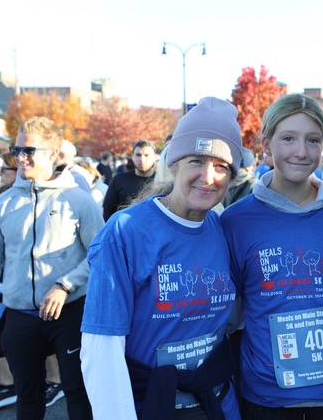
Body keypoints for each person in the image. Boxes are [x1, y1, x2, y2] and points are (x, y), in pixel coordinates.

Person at [80, 97, 243, 419]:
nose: (208, 177)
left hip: (218, 403)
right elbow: (101, 346)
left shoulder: (221, 226)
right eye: (196, 160)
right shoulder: (127, 231)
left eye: (221, 166)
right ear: (173, 164)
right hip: (153, 406)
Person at [220, 93, 323, 419]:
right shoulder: (236, 220)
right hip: (268, 398)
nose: (301, 151)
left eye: (312, 140)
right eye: (288, 139)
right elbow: (231, 311)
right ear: (266, 145)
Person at [0, 116, 104, 419]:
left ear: (52, 154)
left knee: (78, 392)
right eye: (17, 150)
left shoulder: (79, 200)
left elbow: (101, 254)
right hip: (20, 316)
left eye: (29, 150)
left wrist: (65, 284)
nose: (20, 157)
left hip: (69, 314)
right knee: (27, 396)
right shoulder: (1, 205)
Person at [102, 140, 157, 221]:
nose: (142, 159)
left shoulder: (162, 181)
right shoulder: (119, 180)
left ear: (154, 157)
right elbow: (108, 210)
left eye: (146, 155)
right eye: (138, 155)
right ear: (132, 157)